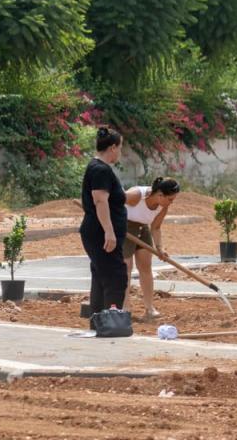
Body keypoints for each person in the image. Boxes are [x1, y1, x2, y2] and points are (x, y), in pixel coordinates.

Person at [80, 127, 129, 325]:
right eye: (120, 147)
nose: (120, 152)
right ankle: (111, 321)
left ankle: (100, 322)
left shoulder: (98, 168)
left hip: (97, 231)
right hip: (100, 233)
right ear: (112, 147)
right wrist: (109, 231)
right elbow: (100, 201)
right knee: (116, 276)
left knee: (102, 276)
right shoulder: (100, 169)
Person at [122, 177, 180, 321]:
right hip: (124, 228)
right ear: (160, 194)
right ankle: (124, 308)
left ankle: (149, 309)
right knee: (126, 268)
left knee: (145, 267)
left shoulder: (163, 206)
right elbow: (113, 202)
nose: (171, 202)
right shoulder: (136, 195)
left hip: (143, 229)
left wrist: (160, 248)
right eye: (170, 199)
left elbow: (156, 227)